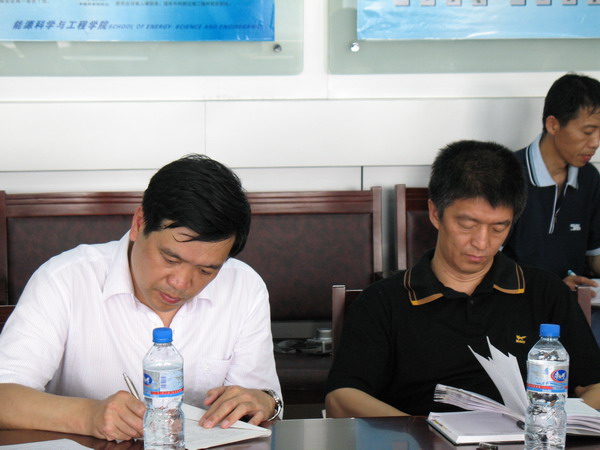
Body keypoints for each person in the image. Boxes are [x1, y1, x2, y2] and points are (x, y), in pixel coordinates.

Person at [0, 154, 282, 441]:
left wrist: (264, 401)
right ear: (139, 223)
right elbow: (3, 397)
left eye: (205, 270)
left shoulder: (244, 287)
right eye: (170, 259)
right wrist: (89, 416)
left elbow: (260, 401)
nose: (181, 284)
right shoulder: (64, 279)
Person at [325, 140, 600, 418]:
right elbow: (342, 397)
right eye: (467, 225)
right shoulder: (384, 301)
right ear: (436, 214)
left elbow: (595, 385)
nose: (481, 243)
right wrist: (418, 433)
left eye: (498, 227)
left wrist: (551, 424)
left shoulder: (545, 293)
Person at [502, 73, 600, 341]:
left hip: (573, 307)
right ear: (553, 124)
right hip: (515, 305)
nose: (595, 143)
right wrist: (551, 287)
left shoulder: (589, 178)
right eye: (588, 131)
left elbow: (595, 257)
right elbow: (485, 262)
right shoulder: (507, 174)